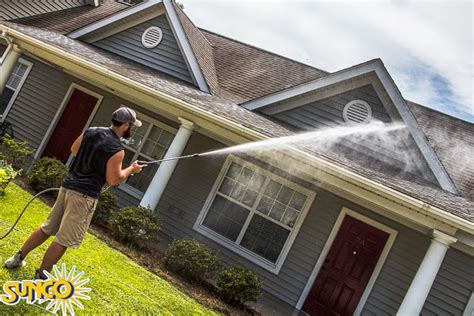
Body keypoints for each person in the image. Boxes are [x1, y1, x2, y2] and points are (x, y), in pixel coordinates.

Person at [4, 107, 145, 279]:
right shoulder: (117, 149)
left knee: (47, 228)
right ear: (126, 125)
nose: (134, 129)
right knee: (63, 239)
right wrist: (131, 169)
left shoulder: (91, 131)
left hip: (67, 187)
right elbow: (113, 179)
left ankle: (17, 258)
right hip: (84, 197)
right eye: (133, 126)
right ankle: (40, 278)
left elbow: (74, 150)